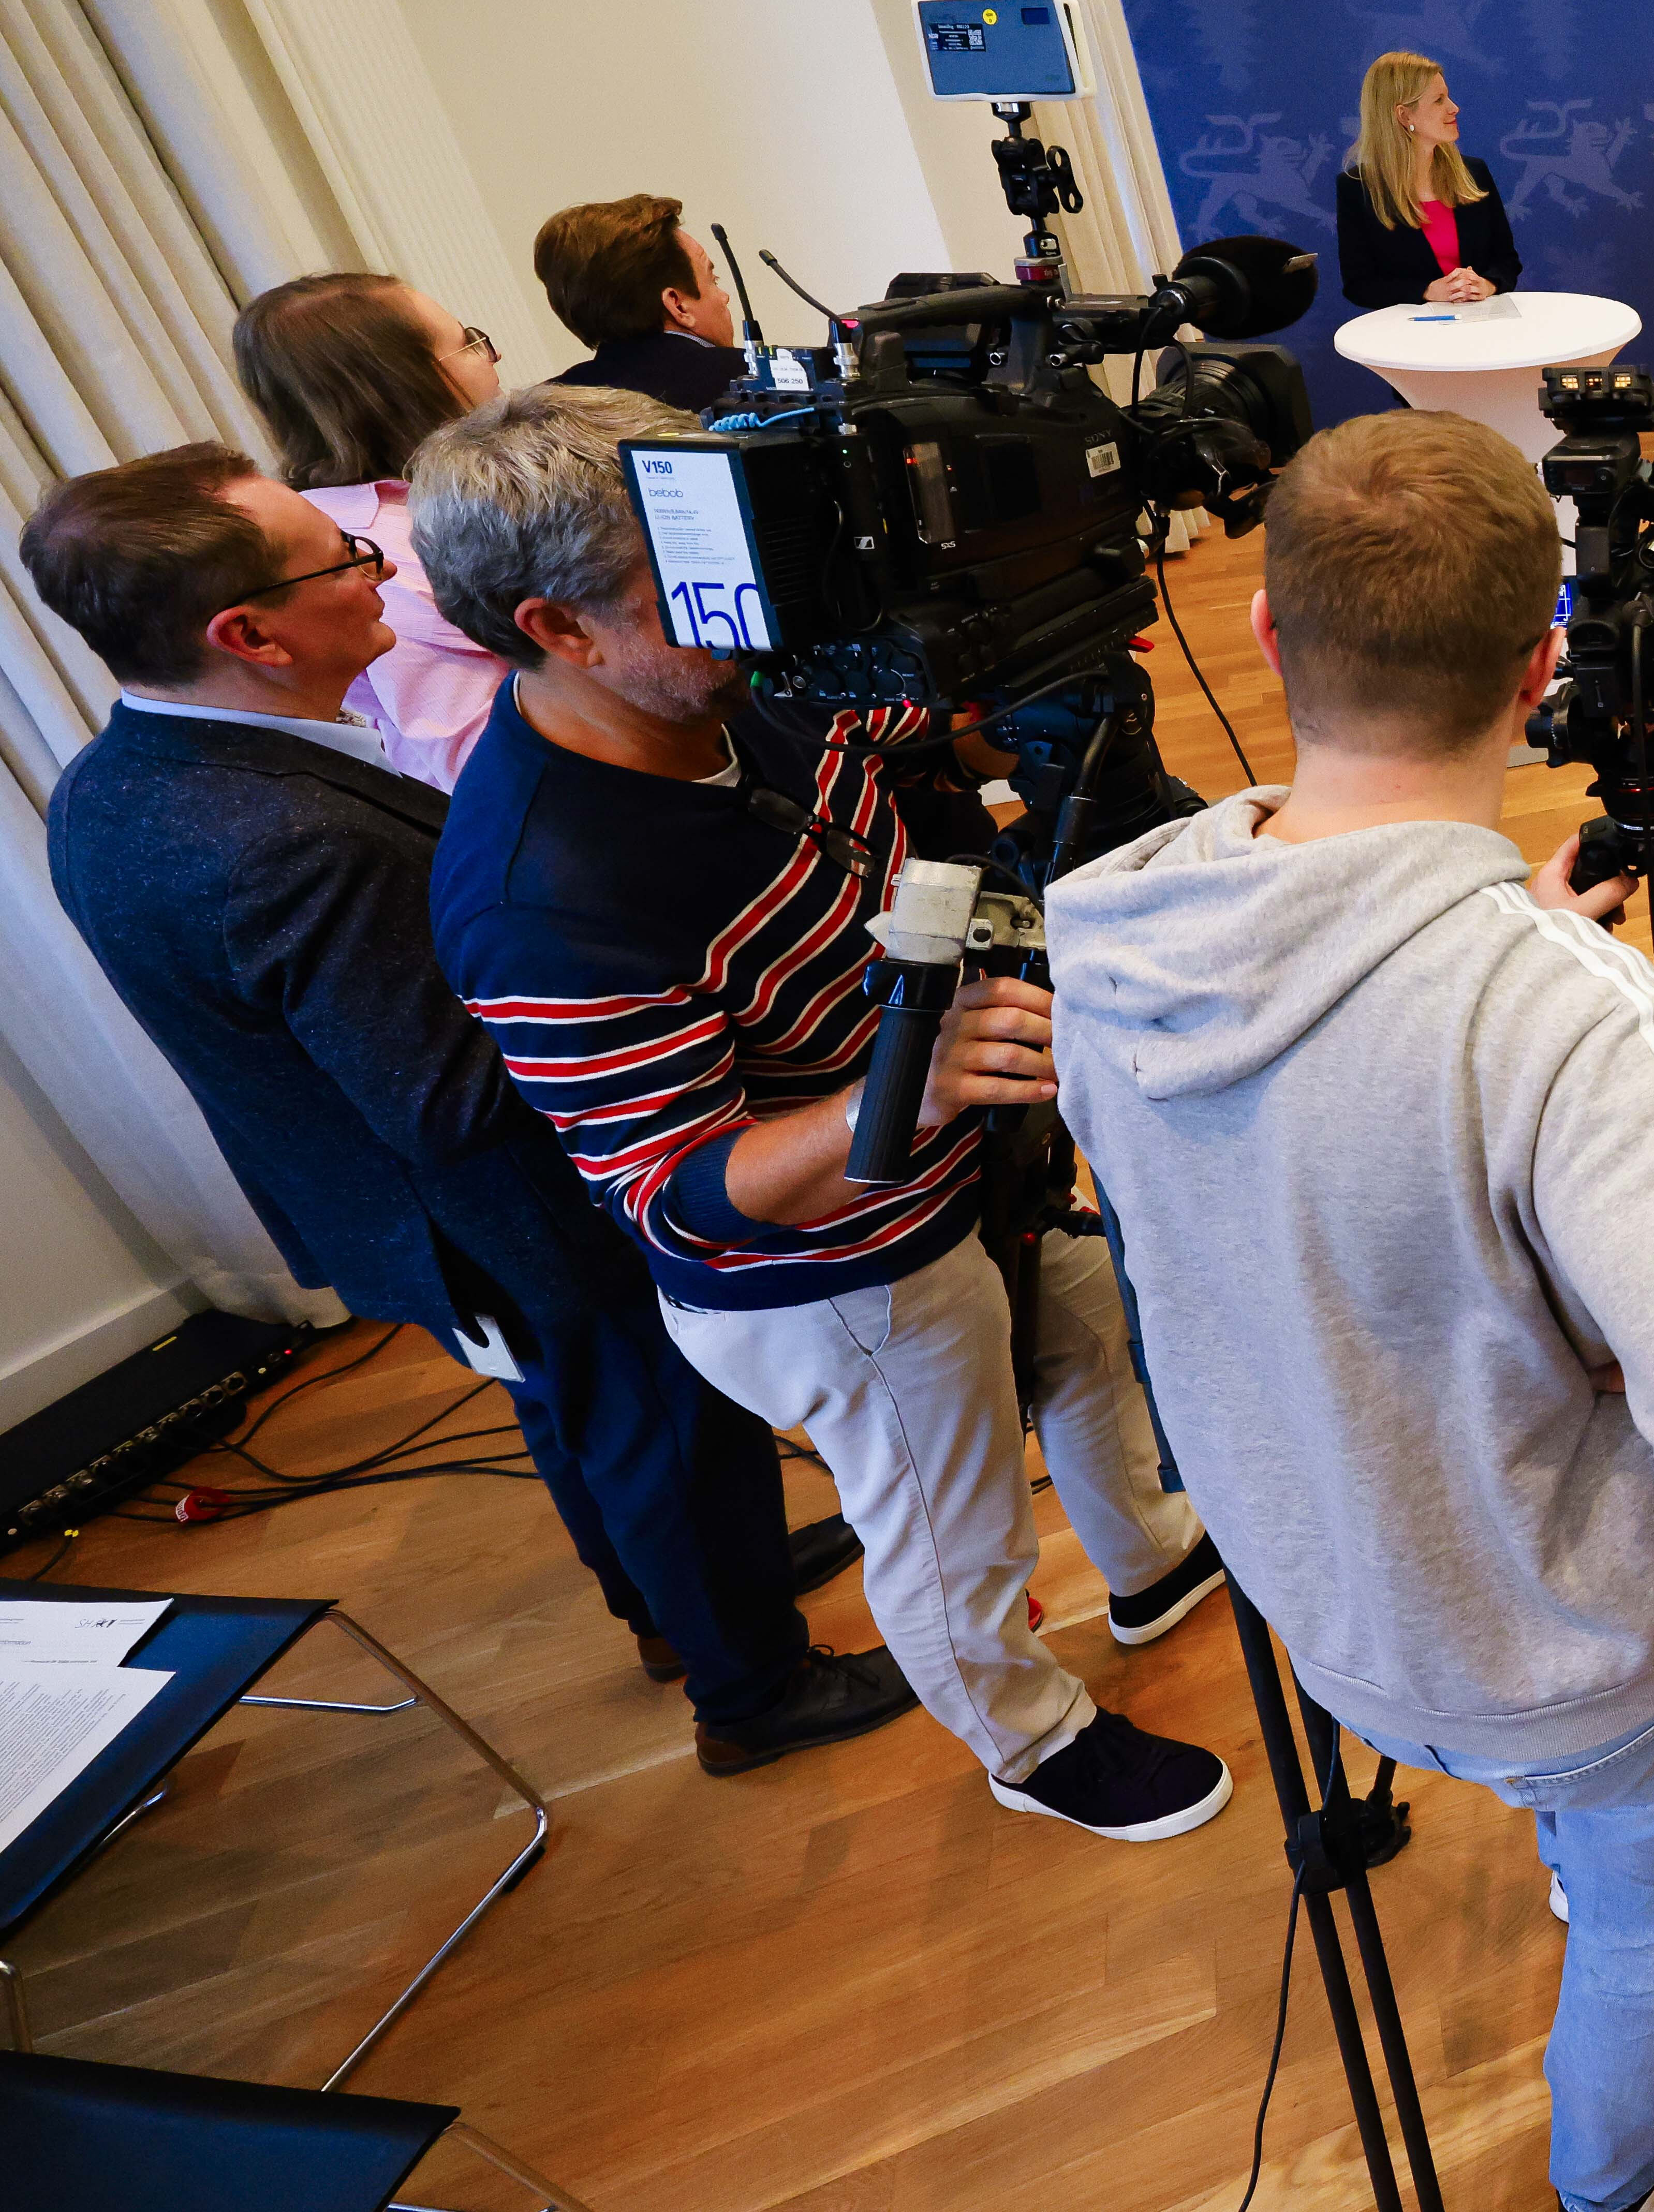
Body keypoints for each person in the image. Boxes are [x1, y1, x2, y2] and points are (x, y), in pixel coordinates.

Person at [1044, 409, 1654, 2212]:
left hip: (1336, 1601)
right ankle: (1619, 2171)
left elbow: (1302, 1182)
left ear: (1270, 634)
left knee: (1603, 1826)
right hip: (1591, 1659)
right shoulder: (1564, 1022)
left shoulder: (1117, 935)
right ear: (1540, 670)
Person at [415, 386, 1234, 1843]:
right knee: (949, 1526)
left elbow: (892, 746)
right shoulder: (542, 896)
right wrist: (902, 1087)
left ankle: (1155, 1560)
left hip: (958, 1162)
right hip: (838, 1280)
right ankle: (1033, 1741)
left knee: (1089, 1339)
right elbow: (676, 1194)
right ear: (556, 629)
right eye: (689, 592)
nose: (753, 612)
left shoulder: (734, 677)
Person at [20, 445, 900, 1775]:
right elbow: (449, 1089)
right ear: (246, 633)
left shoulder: (118, 773)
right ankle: (754, 1686)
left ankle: (675, 1608)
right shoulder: (283, 837)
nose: (385, 568)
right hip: (504, 1202)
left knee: (585, 1416)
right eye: (344, 560)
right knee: (667, 1417)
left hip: (386, 1202)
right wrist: (625, 986)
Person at [229, 270, 516, 789]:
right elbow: (482, 761)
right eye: (469, 343)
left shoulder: (439, 491)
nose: (494, 356)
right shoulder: (378, 551)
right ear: (406, 385)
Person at [1333, 49, 1519, 313]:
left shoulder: (1474, 172)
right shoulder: (1356, 187)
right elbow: (1360, 285)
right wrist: (1428, 290)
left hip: (1482, 328)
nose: (1454, 108)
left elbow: (1507, 261)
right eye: (1439, 100)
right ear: (1404, 116)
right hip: (1410, 338)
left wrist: (1487, 284)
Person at [535, 193, 748, 413]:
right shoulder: (750, 379)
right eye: (713, 281)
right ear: (677, 305)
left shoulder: (542, 413)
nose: (725, 297)